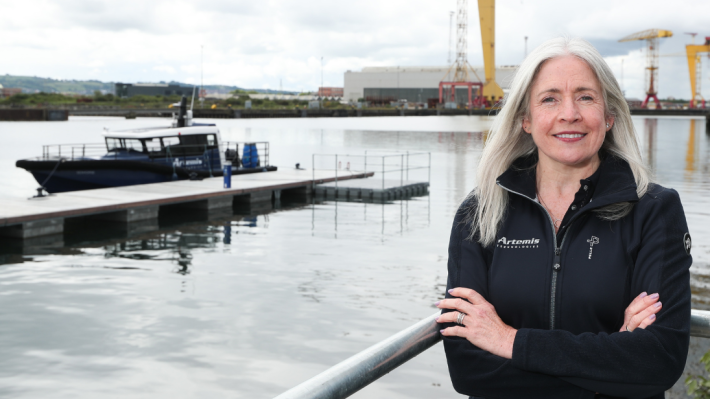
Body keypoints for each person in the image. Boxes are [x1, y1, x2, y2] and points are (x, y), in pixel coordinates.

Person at [435, 37, 692, 399]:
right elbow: (468, 369)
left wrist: (508, 340)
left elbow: (658, 360)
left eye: (585, 96)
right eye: (550, 98)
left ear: (609, 115)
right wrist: (612, 362)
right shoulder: (480, 213)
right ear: (525, 119)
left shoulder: (653, 210)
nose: (569, 113)